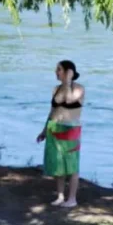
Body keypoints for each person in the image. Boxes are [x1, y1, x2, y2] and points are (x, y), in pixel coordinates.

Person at [37, 60, 84, 208]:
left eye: (59, 69)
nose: (56, 72)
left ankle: (72, 199)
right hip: (55, 128)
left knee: (72, 165)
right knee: (58, 165)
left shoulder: (79, 89)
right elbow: (52, 111)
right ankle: (60, 196)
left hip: (70, 130)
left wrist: (68, 81)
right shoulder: (55, 89)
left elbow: (69, 101)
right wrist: (44, 130)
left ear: (68, 71)